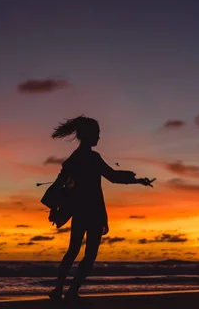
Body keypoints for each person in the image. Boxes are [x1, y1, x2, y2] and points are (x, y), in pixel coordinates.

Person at [46, 116, 153, 303]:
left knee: (72, 251)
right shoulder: (92, 158)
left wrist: (55, 208)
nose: (99, 138)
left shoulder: (73, 159)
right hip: (94, 211)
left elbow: (59, 184)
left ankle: (58, 290)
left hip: (79, 211)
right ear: (88, 135)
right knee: (89, 255)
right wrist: (136, 179)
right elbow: (112, 176)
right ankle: (71, 291)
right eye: (97, 134)